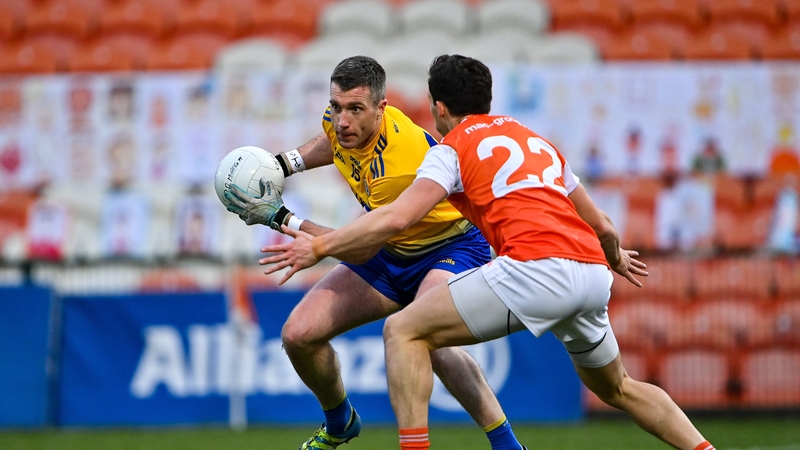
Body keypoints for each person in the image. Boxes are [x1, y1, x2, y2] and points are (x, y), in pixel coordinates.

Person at [260, 55, 716, 450]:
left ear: (438, 107)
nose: (342, 119)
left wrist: (310, 239)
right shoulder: (533, 140)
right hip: (592, 272)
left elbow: (393, 220)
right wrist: (614, 259)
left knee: (404, 331)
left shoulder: (449, 150)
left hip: (527, 266)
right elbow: (604, 227)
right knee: (619, 387)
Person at [224, 56, 525, 450]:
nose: (341, 121)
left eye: (355, 109)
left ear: (381, 108)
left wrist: (281, 218)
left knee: (431, 342)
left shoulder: (397, 168)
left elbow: (360, 248)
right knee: (298, 336)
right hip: (392, 249)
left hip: (450, 246)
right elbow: (334, 142)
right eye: (336, 107)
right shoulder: (342, 123)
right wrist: (284, 165)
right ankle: (340, 423)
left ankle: (507, 445)